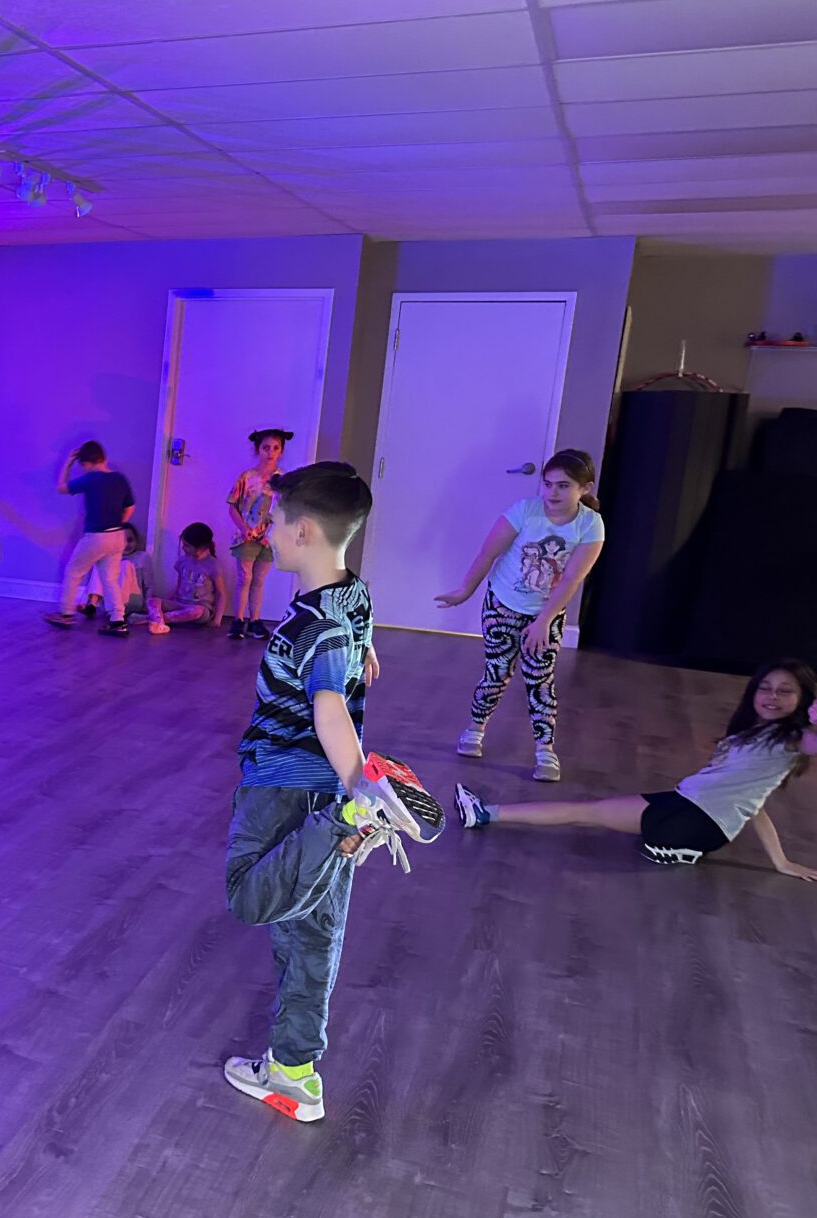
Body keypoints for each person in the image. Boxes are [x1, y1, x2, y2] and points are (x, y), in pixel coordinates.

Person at [221, 462, 434, 1125]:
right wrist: (364, 647)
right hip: (318, 788)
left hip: (284, 786)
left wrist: (360, 787)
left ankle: (348, 816)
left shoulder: (313, 627)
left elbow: (329, 708)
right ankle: (294, 1073)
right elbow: (357, 635)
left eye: (276, 522)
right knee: (314, 935)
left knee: (249, 895)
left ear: (304, 530)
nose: (268, 531)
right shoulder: (350, 599)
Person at [456, 659, 817, 877]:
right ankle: (485, 814)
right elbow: (754, 809)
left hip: (696, 820)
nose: (772, 696)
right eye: (765, 688)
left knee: (587, 814)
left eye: (786, 691)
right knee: (587, 812)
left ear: (804, 700)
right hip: (690, 806)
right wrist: (781, 861)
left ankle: (679, 847)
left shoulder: (794, 738)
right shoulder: (754, 732)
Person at [437, 450, 606, 783]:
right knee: (497, 672)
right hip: (503, 604)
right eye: (547, 484)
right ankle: (474, 730)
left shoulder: (590, 524)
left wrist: (543, 621)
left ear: (584, 488)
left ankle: (545, 750)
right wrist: (465, 590)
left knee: (539, 680)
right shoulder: (524, 512)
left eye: (563, 486)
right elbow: (489, 552)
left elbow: (572, 578)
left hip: (547, 611)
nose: (552, 493)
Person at [46, 440, 135, 637]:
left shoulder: (90, 479)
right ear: (105, 458)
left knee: (74, 571)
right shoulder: (120, 479)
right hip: (117, 535)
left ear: (85, 464)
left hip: (96, 536)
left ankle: (66, 614)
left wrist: (68, 463)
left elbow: (61, 487)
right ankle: (118, 621)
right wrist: (117, 523)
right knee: (110, 580)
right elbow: (130, 507)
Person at [225, 428, 289, 640]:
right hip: (247, 536)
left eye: (275, 448)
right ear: (257, 449)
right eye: (265, 448)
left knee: (259, 580)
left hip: (268, 538)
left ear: (281, 451)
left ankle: (255, 621)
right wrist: (244, 529)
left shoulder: (283, 481)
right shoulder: (247, 477)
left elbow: (283, 511)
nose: (270, 452)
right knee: (245, 577)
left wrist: (269, 533)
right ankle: (238, 620)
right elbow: (232, 506)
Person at [78, 522, 152, 625]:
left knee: (125, 564)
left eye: (130, 540)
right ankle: (92, 604)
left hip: (133, 600)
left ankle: (117, 612)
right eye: (122, 541)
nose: (126, 545)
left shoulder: (142, 557)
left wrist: (148, 606)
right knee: (101, 563)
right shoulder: (112, 558)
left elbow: (149, 585)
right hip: (110, 602)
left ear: (136, 540)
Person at [158, 521, 226, 631]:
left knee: (196, 611)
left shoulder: (213, 565)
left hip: (200, 609)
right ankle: (161, 618)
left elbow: (221, 593)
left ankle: (153, 619)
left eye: (187, 546)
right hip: (180, 604)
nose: (183, 548)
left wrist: (217, 619)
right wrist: (164, 600)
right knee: (153, 601)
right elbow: (178, 586)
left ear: (201, 547)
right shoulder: (182, 561)